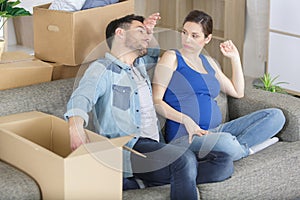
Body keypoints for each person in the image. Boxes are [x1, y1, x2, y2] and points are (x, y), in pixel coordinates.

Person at [64, 13, 233, 200]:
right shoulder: (103, 69)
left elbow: (154, 51)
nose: (146, 36)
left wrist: (148, 32)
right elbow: (82, 97)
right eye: (140, 31)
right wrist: (75, 126)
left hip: (156, 147)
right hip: (129, 147)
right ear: (119, 33)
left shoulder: (141, 66)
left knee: (223, 161)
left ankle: (139, 183)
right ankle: (144, 178)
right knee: (183, 160)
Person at [152, 10, 286, 161]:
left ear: (207, 38)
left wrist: (235, 58)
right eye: (184, 32)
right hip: (186, 137)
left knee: (275, 116)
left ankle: (236, 149)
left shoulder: (209, 62)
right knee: (226, 142)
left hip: (216, 131)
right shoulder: (171, 57)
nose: (187, 39)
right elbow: (156, 101)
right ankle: (242, 150)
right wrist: (185, 120)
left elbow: (237, 92)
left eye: (194, 35)